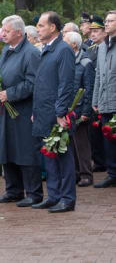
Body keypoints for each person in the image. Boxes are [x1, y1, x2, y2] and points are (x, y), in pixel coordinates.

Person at [0, 15, 43, 207]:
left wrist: (10, 93)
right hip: (5, 110)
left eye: (6, 31)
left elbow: (33, 83)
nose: (2, 34)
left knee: (25, 151)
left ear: (19, 32)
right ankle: (13, 190)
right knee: (7, 149)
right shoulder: (6, 50)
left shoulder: (31, 53)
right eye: (2, 30)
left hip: (22, 110)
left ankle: (33, 193)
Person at [32, 11, 76, 213]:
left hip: (56, 114)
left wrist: (61, 112)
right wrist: (36, 110)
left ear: (53, 27)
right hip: (43, 112)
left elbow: (66, 84)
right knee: (49, 155)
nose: (38, 29)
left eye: (41, 26)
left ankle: (67, 198)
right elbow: (41, 84)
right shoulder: (46, 49)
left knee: (62, 156)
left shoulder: (63, 50)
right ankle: (54, 195)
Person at [63, 31, 94, 187]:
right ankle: (74, 173)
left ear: (74, 44)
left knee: (81, 144)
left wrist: (86, 112)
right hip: (67, 109)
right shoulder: (66, 61)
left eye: (65, 41)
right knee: (70, 143)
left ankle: (86, 174)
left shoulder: (85, 62)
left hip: (80, 110)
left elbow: (88, 89)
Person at [92, 10, 116, 188]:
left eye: (110, 21)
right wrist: (95, 100)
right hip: (105, 101)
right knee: (109, 141)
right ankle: (112, 174)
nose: (106, 24)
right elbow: (98, 75)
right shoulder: (101, 47)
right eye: (106, 21)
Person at [87, 16, 107, 172]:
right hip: (94, 93)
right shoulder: (91, 50)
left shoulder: (107, 47)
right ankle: (99, 161)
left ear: (104, 32)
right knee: (95, 132)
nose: (92, 34)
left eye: (96, 31)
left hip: (105, 93)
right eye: (91, 31)